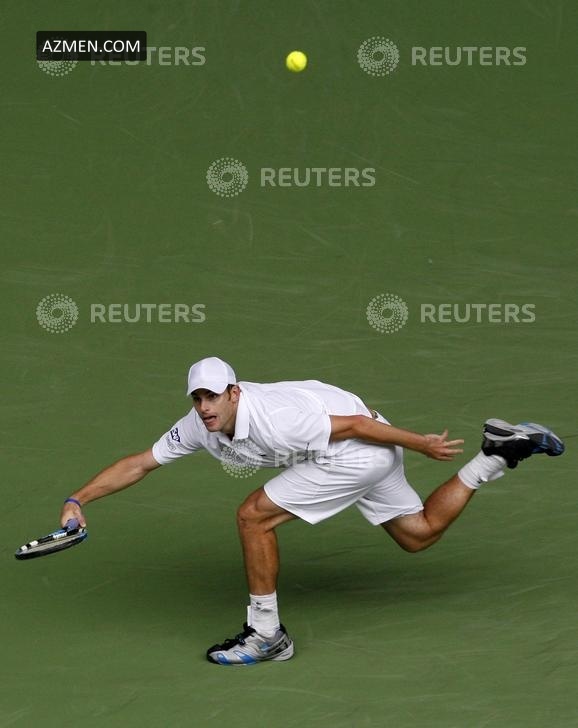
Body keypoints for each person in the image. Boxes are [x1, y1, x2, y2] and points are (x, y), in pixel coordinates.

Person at [60, 356, 565, 666]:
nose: (205, 407)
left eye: (213, 396)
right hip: (353, 443)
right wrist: (77, 499)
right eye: (197, 398)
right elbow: (139, 464)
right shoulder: (199, 424)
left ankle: (266, 635)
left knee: (253, 516)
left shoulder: (275, 420)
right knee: (418, 533)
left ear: (234, 393)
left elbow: (355, 427)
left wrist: (422, 444)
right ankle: (495, 455)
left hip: (358, 445)